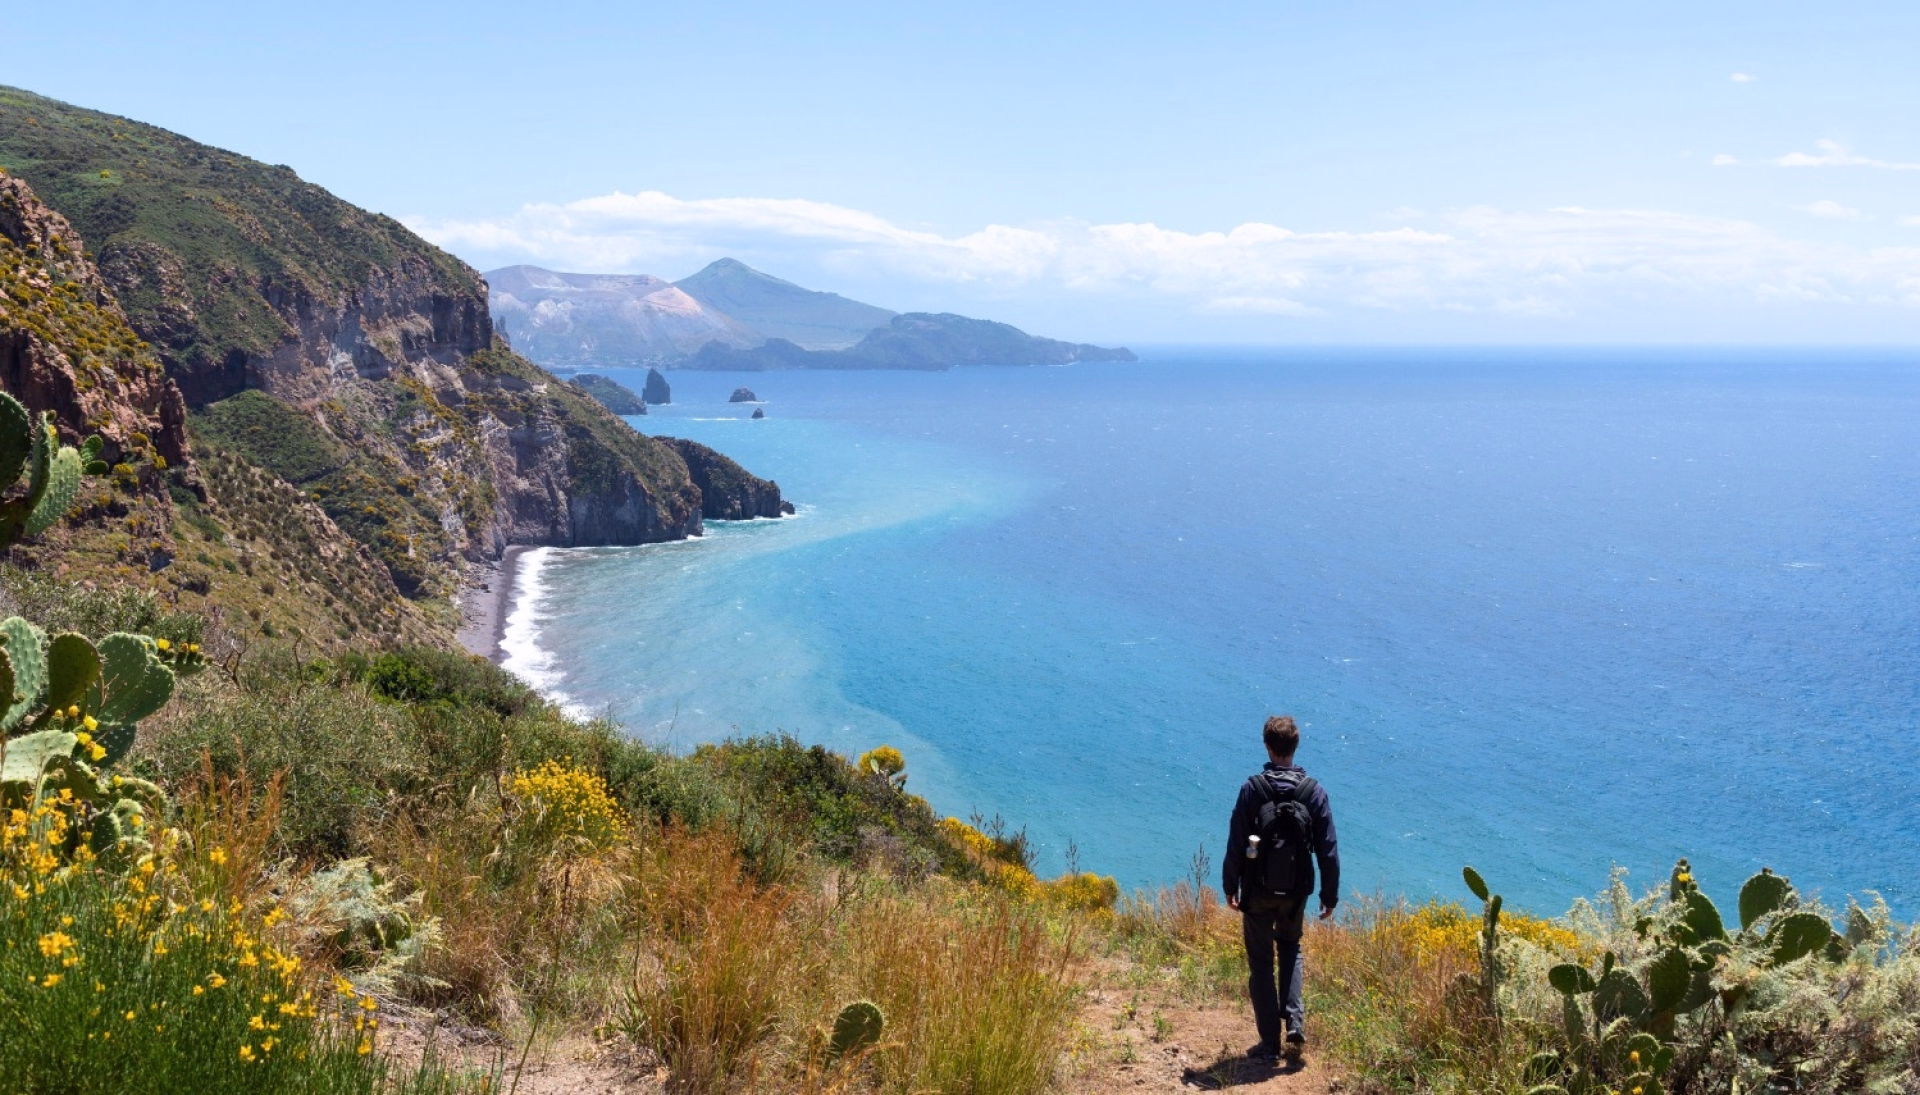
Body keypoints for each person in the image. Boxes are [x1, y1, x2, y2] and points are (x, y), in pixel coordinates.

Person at [1222, 714, 1339, 1062]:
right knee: (1290, 947)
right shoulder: (1314, 792)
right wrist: (1329, 896)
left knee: (1261, 963)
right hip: (1296, 890)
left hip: (1257, 891)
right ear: (1295, 746)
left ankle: (1269, 1043)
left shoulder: (1252, 789)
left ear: (1267, 746)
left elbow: (1235, 841)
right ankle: (1295, 1022)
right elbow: (1328, 849)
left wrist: (1230, 885)